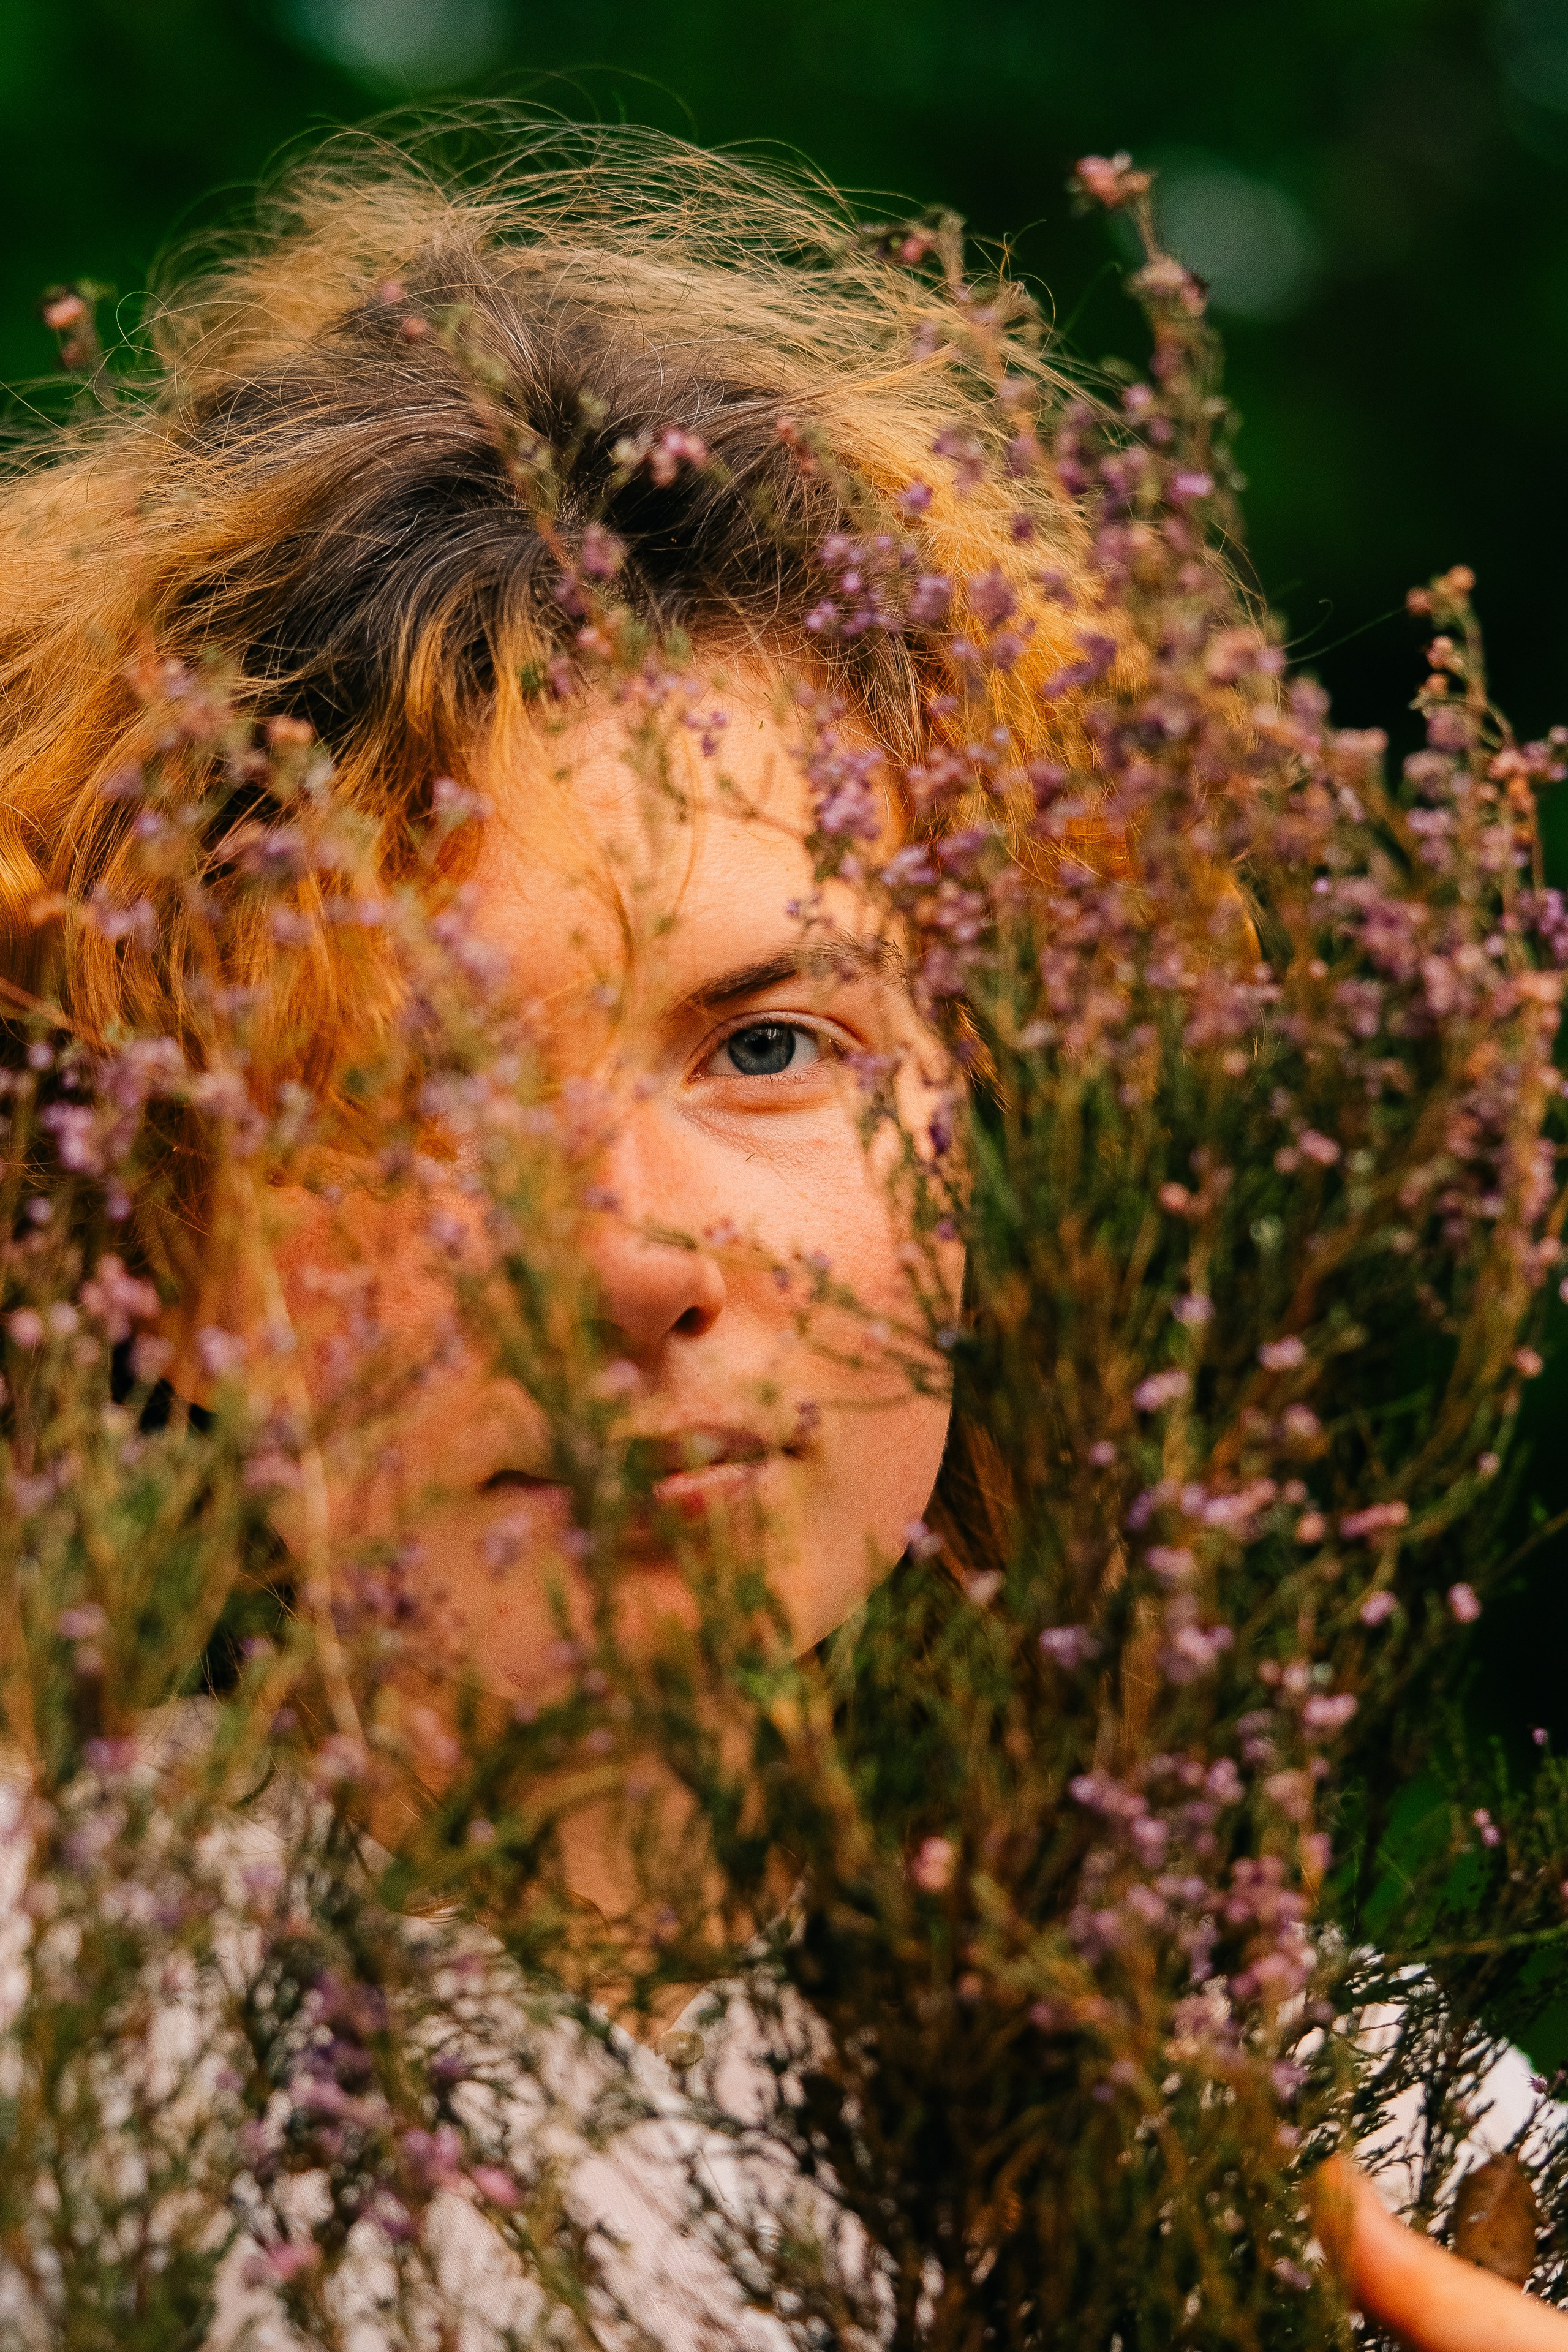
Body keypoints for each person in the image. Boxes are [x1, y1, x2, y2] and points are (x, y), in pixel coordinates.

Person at [0, 123, 1560, 2348]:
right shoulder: (60, 2061)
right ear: (156, 1229)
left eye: (766, 1046)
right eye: (404, 1092)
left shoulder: (1337, 2126)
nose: (626, 1261)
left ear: (997, 1133)